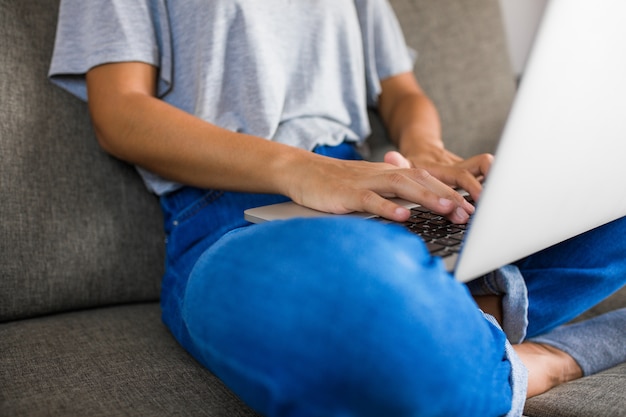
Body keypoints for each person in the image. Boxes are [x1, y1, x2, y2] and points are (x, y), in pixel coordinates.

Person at [49, 1, 626, 416]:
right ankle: (537, 356)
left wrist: (425, 152)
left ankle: (453, 320)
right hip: (232, 217)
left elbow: (402, 92)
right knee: (351, 291)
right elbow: (120, 114)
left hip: (380, 193)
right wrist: (305, 170)